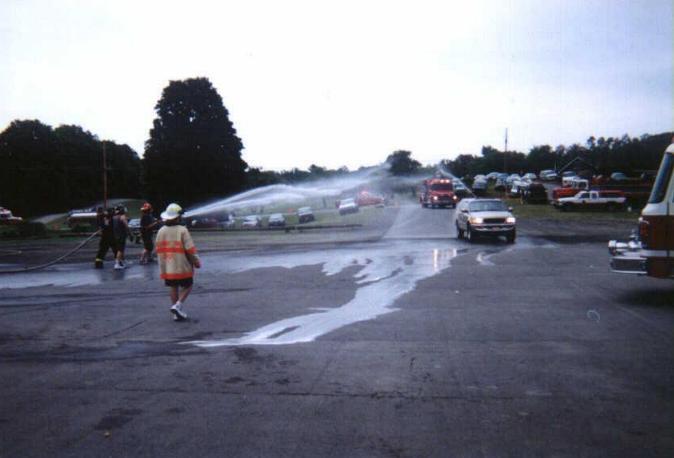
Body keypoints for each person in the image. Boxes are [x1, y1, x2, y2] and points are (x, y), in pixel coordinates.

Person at [155, 203, 201, 321]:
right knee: (188, 285)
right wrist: (196, 262)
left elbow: (158, 250)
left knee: (173, 286)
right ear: (178, 217)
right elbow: (190, 249)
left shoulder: (161, 231)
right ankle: (178, 305)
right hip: (182, 265)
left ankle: (176, 313)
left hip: (167, 266)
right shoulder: (182, 230)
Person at [112, 205, 130, 270]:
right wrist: (130, 234)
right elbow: (126, 226)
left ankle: (121, 262)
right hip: (121, 235)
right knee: (120, 250)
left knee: (120, 249)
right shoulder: (122, 217)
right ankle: (117, 264)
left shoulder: (114, 217)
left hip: (116, 235)